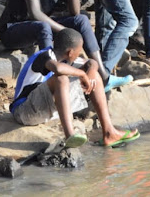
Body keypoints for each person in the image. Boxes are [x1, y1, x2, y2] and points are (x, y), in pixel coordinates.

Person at [10, 28, 140, 148]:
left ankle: (109, 132)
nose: (80, 52)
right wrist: (82, 73)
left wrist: (89, 73)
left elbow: (92, 63)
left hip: (44, 111)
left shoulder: (68, 60)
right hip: (24, 111)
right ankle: (70, 135)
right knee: (61, 78)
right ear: (70, 52)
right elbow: (58, 69)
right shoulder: (44, 55)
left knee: (93, 74)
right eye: (80, 49)